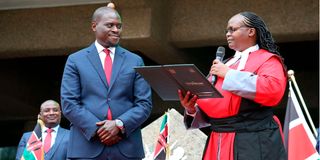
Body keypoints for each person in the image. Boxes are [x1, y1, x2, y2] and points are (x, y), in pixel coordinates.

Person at [178, 11, 287, 160]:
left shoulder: (268, 60)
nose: (228, 34)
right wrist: (191, 109)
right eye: (226, 31)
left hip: (253, 139)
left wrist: (228, 74)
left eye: (233, 29)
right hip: (217, 138)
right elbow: (212, 103)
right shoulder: (226, 63)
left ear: (251, 31)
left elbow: (273, 90)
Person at [60, 5, 152, 160]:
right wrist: (100, 130)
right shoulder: (75, 60)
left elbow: (144, 104)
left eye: (119, 26)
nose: (116, 30)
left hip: (127, 149)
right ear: (94, 26)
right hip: (86, 148)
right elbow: (69, 103)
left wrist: (119, 125)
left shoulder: (135, 60)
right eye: (110, 25)